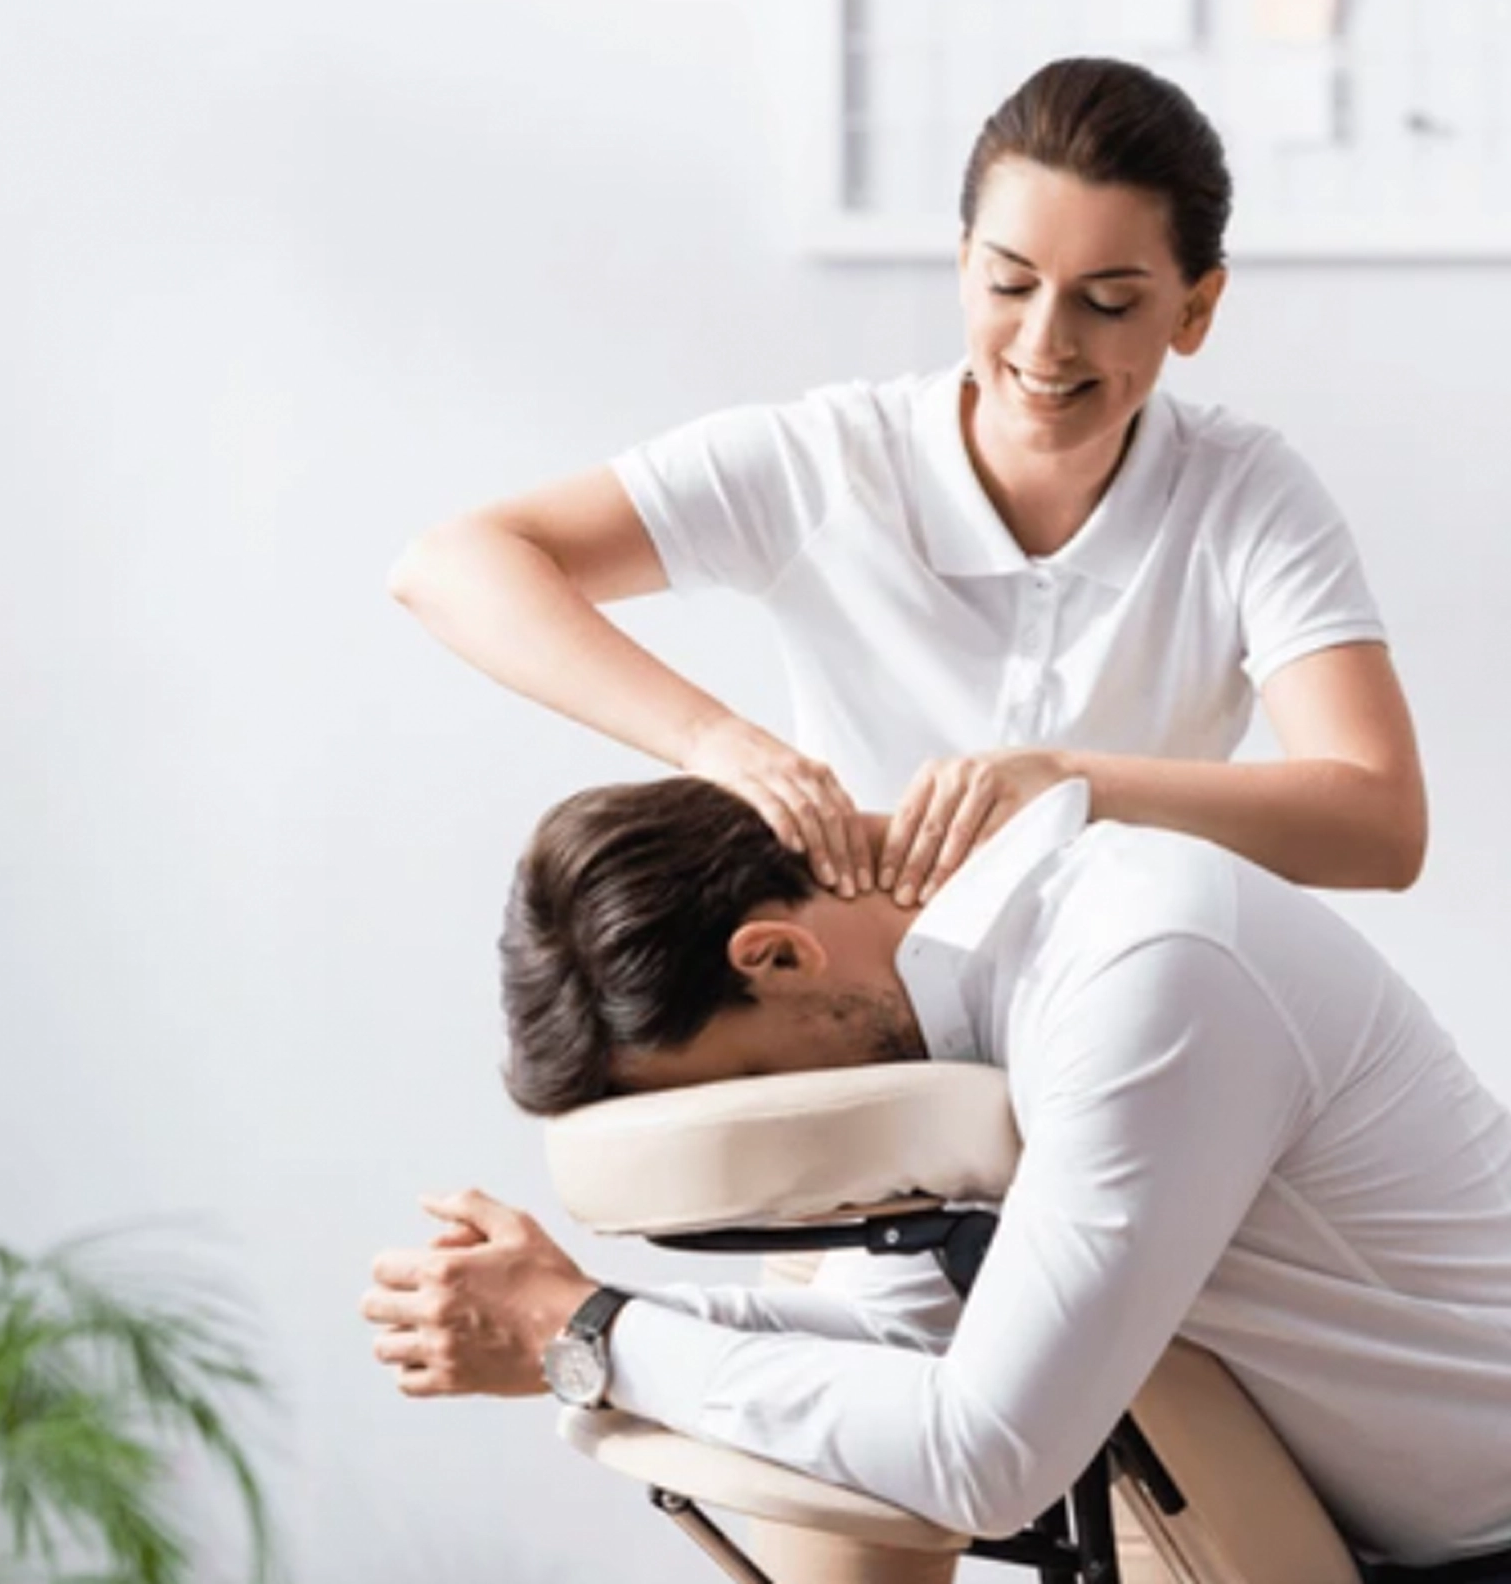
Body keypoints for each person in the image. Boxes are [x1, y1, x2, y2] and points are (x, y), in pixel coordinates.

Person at [363, 776, 1511, 1577]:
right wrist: (559, 1318)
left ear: (774, 955)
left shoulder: (1143, 972)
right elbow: (910, 1344)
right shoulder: (960, 1018)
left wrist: (594, 1334)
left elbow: (985, 1459)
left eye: (752, 1084)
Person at [388, 56, 1426, 907]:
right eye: (1009, 283)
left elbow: (1380, 826)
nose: (1044, 343)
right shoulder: (832, 460)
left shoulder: (1245, 495)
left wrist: (1068, 782)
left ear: (1195, 311)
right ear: (964, 261)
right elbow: (452, 566)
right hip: (859, 985)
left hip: (1135, 982)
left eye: (1108, 301)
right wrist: (722, 743)